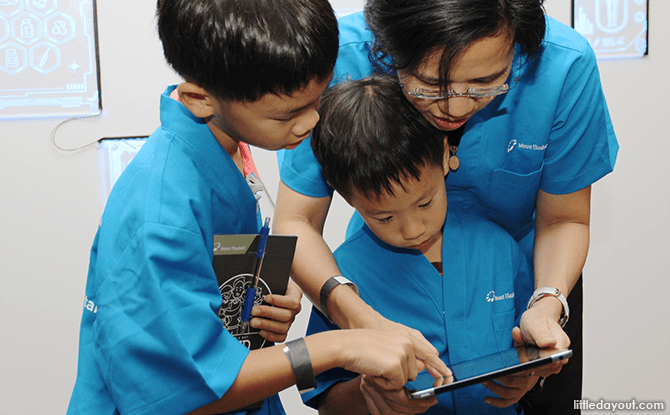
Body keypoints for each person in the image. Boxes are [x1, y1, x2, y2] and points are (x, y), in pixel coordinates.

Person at [65, 1, 448, 414]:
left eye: (316, 100)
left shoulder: (221, 148)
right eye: (288, 114)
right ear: (200, 98)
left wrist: (253, 311)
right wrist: (338, 346)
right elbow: (182, 393)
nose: (310, 123)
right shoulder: (160, 212)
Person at [273, 0, 619, 413]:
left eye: (484, 84)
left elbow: (564, 218)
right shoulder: (339, 58)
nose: (454, 109)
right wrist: (354, 316)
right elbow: (295, 220)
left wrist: (546, 307)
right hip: (382, 289)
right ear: (388, 48)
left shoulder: (564, 65)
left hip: (529, 290)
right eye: (427, 86)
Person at [302, 75, 541, 415]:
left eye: (425, 203)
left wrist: (528, 371)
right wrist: (368, 393)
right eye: (384, 218)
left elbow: (526, 344)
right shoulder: (342, 280)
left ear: (445, 156)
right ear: (346, 196)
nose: (412, 230)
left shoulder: (499, 248)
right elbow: (326, 398)